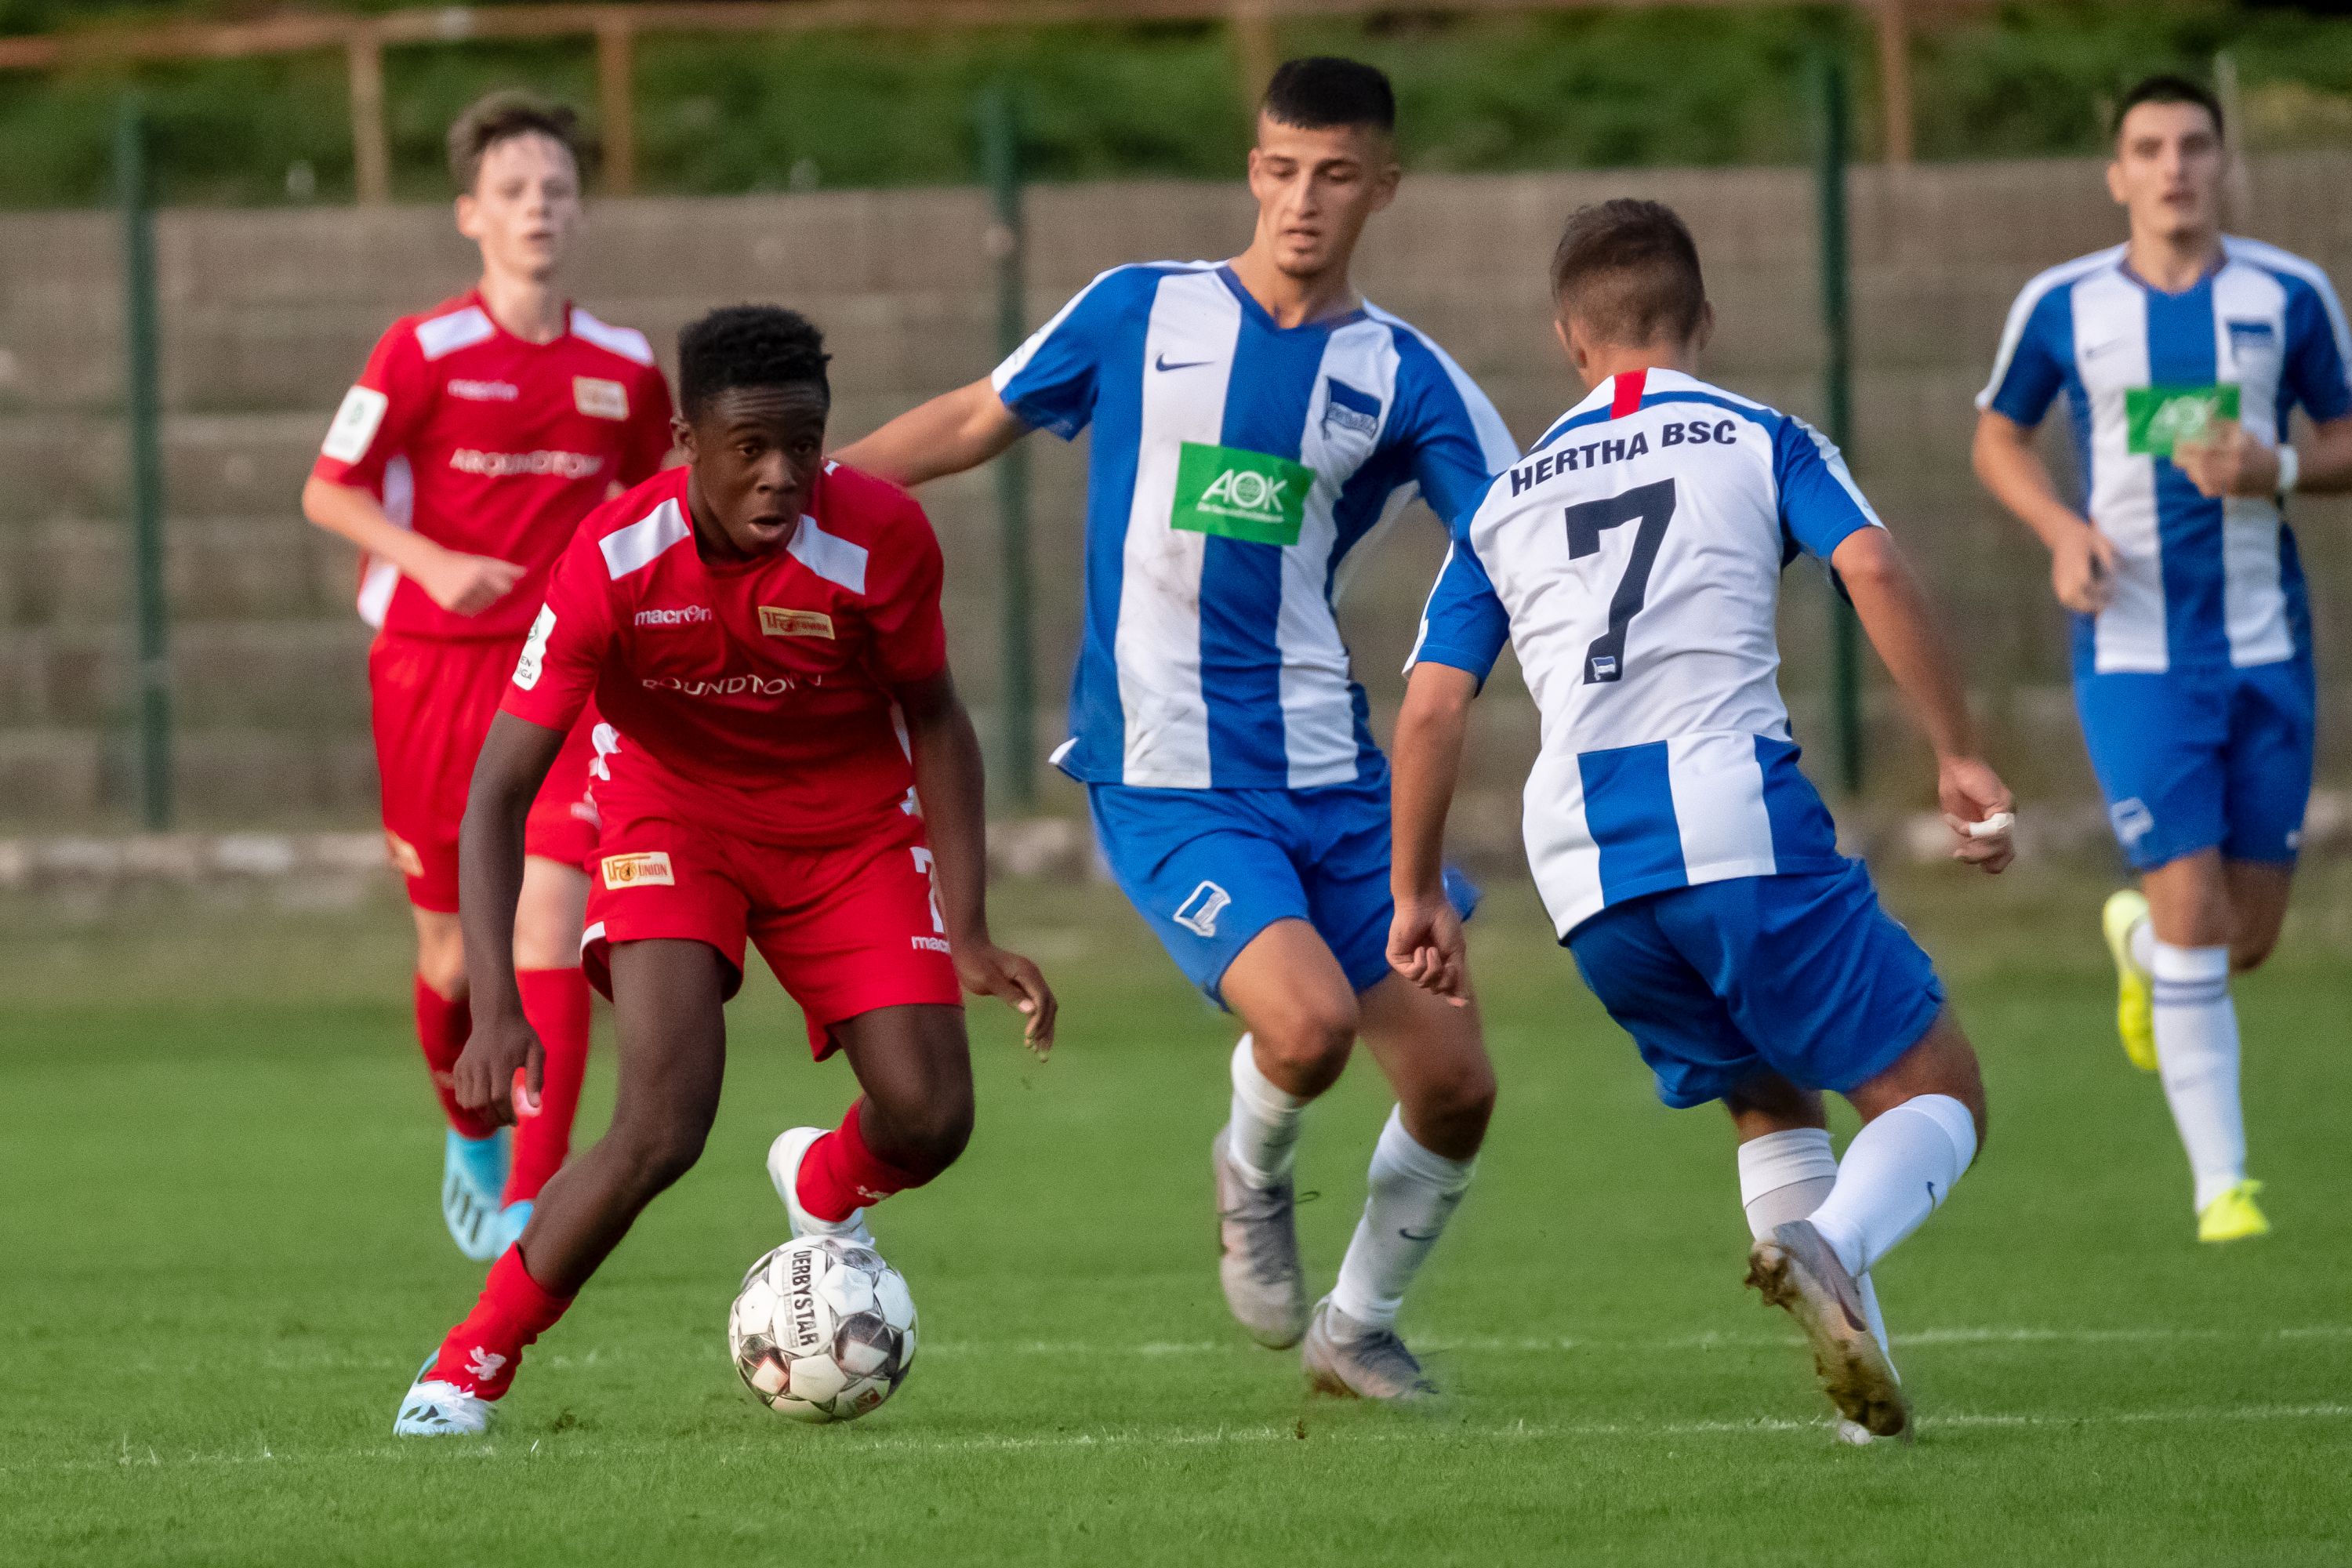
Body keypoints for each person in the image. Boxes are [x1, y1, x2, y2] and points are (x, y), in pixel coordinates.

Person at [834, 56, 1515, 1401]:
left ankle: (1356, 1327)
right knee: (1309, 1030)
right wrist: (799, 496)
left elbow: (1516, 538)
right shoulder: (1139, 310)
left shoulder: (1407, 378)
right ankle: (1249, 1171)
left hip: (1337, 774)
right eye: (1277, 169)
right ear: (1251, 170)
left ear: (1384, 186)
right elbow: (978, 416)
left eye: (1333, 175)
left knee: (1455, 1084)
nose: (1300, 201)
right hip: (1170, 774)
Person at [1388, 199, 2013, 1440]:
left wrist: (1416, 895)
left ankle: (1863, 1411)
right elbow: (1874, 568)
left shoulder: (1505, 499)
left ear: (1572, 339)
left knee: (1768, 1095)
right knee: (1936, 1090)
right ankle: (1828, 1248)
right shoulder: (1760, 436)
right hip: (1730, 816)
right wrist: (1957, 754)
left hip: (1580, 865)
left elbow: (1429, 712)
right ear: (1704, 321)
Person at [394, 306, 1055, 1435]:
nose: (782, 475)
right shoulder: (611, 557)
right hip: (672, 816)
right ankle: (469, 1364)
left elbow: (938, 719)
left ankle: (824, 1185)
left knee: (935, 1114)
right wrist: (496, 1012)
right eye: (749, 447)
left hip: (849, 831)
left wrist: (973, 923)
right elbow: (497, 792)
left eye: (803, 444)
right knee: (663, 1122)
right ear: (684, 441)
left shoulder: (882, 538)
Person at [1972, 75, 2352, 1243]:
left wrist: (2278, 470)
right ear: (2117, 173)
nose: (2174, 166)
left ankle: (2133, 941)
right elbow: (1998, 437)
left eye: (2193, 145)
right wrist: (2063, 529)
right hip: (2132, 652)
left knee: (2243, 936)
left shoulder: (2289, 295)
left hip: (2266, 648)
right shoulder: (2064, 304)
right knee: (2194, 904)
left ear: (2222, 162)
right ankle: (2222, 1187)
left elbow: (2341, 437)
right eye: (2149, 148)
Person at [302, 93, 676, 1260]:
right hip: (428, 670)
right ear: (472, 214)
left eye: (557, 192)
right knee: (455, 958)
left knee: (550, 915)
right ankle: (469, 1123)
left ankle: (531, 1190)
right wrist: (430, 560)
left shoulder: (622, 365)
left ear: (580, 210)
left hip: (561, 677)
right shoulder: (421, 350)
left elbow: (649, 501)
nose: (538, 211)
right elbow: (330, 489)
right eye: (515, 193)